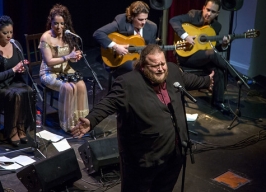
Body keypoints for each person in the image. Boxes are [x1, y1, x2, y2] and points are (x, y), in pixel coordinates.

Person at [71, 44, 214, 192]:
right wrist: (91, 120)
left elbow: (187, 80)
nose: (161, 69)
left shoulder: (172, 72)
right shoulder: (128, 83)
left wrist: (206, 81)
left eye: (162, 63)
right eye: (155, 66)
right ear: (143, 67)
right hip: (144, 158)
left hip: (174, 153)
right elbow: (109, 102)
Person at [170, 0, 239, 113]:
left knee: (219, 69)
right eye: (207, 10)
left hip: (203, 58)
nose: (209, 13)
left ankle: (218, 102)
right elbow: (173, 20)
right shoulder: (193, 15)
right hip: (186, 56)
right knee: (212, 54)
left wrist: (223, 45)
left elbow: (212, 46)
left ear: (217, 13)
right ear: (203, 8)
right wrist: (185, 36)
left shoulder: (216, 27)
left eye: (213, 12)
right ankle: (236, 75)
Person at [0, 15, 35, 147]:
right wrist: (13, 70)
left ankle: (21, 127)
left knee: (28, 90)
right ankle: (11, 130)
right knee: (16, 95)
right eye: (5, 33)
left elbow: (20, 66)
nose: (9, 36)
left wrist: (22, 68)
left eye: (11, 32)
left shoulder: (15, 44)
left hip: (13, 81)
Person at [39, 4, 89, 132]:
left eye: (62, 24)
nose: (59, 27)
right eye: (56, 23)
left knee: (81, 85)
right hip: (49, 72)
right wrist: (68, 57)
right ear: (51, 22)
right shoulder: (46, 38)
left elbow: (70, 57)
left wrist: (74, 57)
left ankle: (81, 121)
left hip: (65, 70)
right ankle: (68, 124)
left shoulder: (68, 35)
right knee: (68, 87)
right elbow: (49, 61)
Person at [93, 1, 158, 78]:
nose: (144, 22)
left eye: (146, 19)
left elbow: (151, 49)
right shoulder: (122, 21)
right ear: (132, 17)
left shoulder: (152, 27)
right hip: (118, 61)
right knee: (134, 67)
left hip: (141, 60)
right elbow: (98, 33)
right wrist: (116, 46)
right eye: (140, 19)